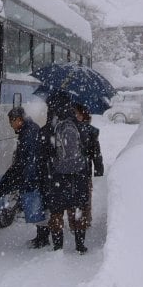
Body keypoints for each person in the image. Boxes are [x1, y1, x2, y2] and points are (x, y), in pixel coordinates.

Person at [41, 91, 92, 253]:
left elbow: (44, 151)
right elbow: (87, 146)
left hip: (57, 176)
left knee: (56, 212)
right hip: (78, 175)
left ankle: (58, 246)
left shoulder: (51, 127)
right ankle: (80, 245)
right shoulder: (79, 125)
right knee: (78, 209)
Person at [0, 106, 48, 247]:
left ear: (19, 119)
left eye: (11, 122)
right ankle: (41, 237)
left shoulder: (28, 133)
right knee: (37, 208)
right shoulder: (29, 130)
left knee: (37, 208)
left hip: (33, 178)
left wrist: (28, 180)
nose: (11, 125)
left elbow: (30, 160)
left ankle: (42, 239)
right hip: (35, 176)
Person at [73, 103, 103, 244]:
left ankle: (84, 220)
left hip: (84, 170)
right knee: (77, 196)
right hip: (76, 169)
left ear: (84, 115)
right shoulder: (71, 129)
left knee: (84, 196)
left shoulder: (89, 131)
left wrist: (98, 169)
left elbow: (96, 152)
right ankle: (78, 221)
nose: (76, 116)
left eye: (78, 113)